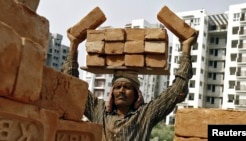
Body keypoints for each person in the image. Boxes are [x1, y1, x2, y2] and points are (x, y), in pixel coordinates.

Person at [62, 31, 198, 141]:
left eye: (127, 87)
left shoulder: (146, 114)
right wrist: (74, 45)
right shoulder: (99, 111)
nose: (121, 91)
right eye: (117, 87)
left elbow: (176, 91)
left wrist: (186, 48)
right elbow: (73, 85)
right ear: (112, 92)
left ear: (136, 93)